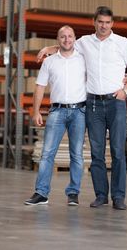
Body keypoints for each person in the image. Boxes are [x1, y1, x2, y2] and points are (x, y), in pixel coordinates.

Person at [37, 6, 127, 210]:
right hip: (92, 103)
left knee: (118, 151)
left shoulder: (122, 42)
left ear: (113, 23)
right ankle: (101, 195)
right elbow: (66, 46)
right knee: (97, 152)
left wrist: (125, 91)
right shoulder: (84, 42)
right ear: (94, 22)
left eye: (107, 22)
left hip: (116, 102)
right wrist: (49, 48)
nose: (104, 26)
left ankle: (118, 197)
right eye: (100, 22)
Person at [24, 25, 87, 206]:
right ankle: (41, 193)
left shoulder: (84, 59)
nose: (67, 40)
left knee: (76, 155)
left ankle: (73, 193)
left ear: (75, 38)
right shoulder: (49, 62)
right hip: (56, 111)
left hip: (79, 112)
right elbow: (40, 87)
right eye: (62, 37)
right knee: (47, 154)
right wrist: (36, 111)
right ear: (57, 39)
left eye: (70, 36)